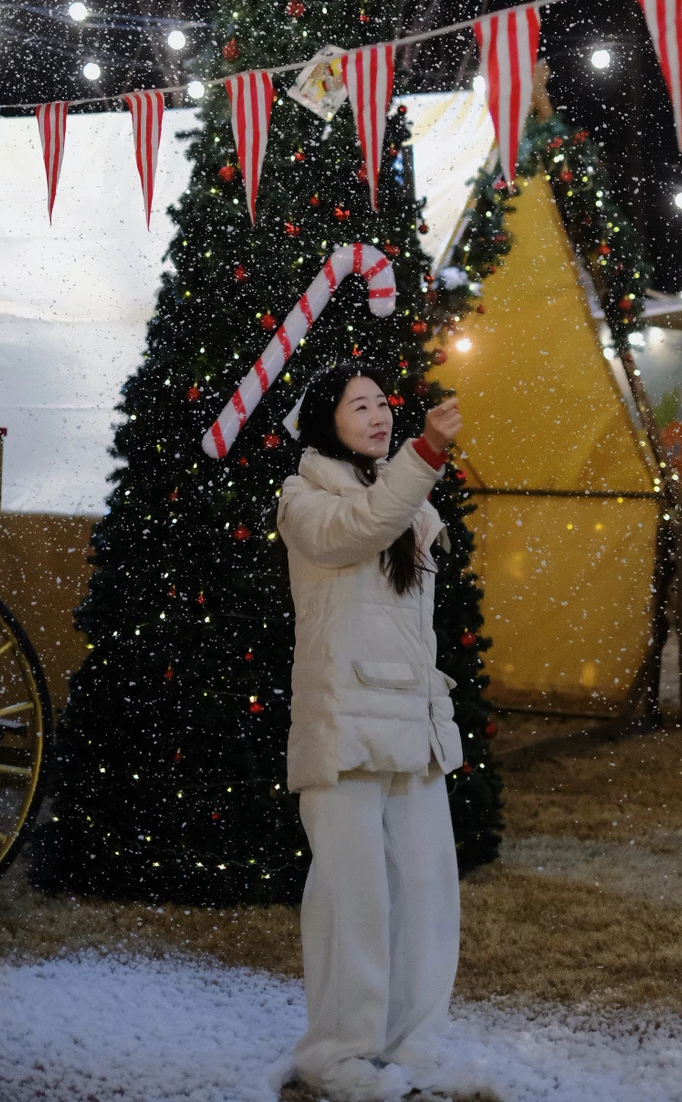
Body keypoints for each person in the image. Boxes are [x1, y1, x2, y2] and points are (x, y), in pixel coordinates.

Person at [277, 365, 466, 1102]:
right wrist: (425, 455)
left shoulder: (404, 496)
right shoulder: (305, 500)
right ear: (327, 421)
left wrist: (415, 466)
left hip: (412, 724)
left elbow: (389, 526)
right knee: (352, 897)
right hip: (344, 721)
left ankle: (414, 1050)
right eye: (360, 405)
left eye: (384, 402)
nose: (379, 414)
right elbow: (359, 529)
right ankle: (338, 1053)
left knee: (425, 890)